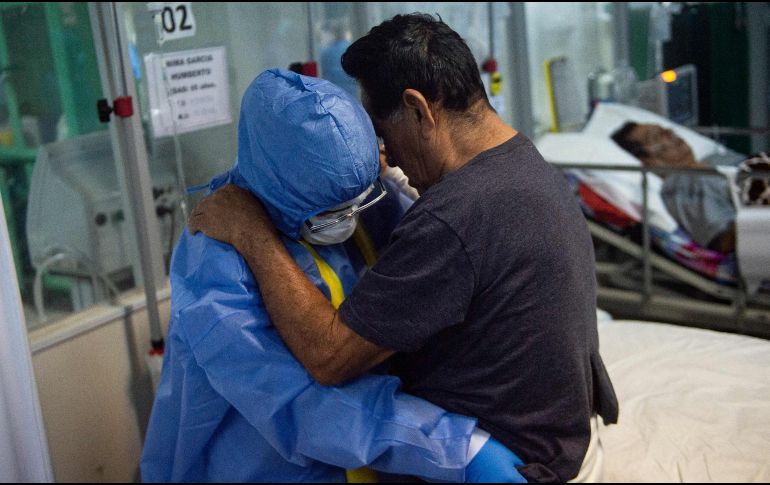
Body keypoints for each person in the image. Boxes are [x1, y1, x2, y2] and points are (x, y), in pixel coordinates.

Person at [189, 14, 619, 483]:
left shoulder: (453, 219)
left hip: (507, 464)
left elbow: (329, 357)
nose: (385, 155)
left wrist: (254, 234)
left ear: (418, 110)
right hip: (561, 437)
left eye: (382, 133)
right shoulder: (523, 165)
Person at [141, 68, 527, 483]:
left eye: (355, 202)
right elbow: (291, 400)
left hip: (378, 461)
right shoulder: (216, 256)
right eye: (330, 211)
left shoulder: (368, 201)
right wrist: (452, 446)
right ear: (283, 185)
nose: (347, 220)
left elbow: (430, 270)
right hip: (268, 467)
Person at [611, 122, 738, 253]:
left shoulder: (716, 158)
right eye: (656, 137)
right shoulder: (680, 186)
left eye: (665, 130)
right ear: (648, 161)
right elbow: (725, 241)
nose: (670, 133)